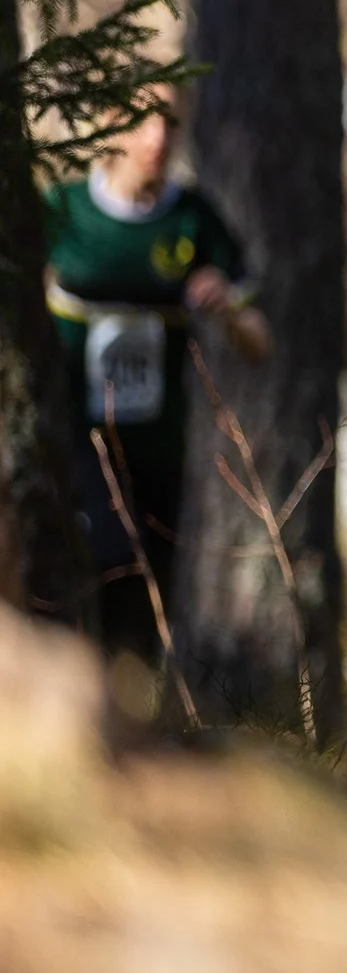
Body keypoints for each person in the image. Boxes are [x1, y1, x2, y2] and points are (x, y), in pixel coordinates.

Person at [45, 86, 271, 662]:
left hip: (159, 446)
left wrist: (225, 306)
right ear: (112, 127)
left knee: (153, 582)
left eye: (171, 125)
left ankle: (134, 712)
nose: (158, 139)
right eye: (143, 122)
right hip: (76, 436)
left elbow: (259, 343)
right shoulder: (65, 212)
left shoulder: (193, 219)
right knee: (103, 555)